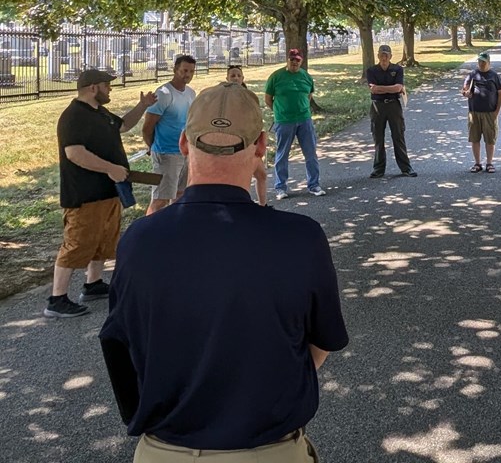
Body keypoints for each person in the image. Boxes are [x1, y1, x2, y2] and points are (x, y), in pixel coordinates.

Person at [99, 82, 348, 462]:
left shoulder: (139, 240)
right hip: (270, 450)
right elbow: (321, 343)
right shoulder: (300, 238)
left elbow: (122, 348)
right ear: (262, 145)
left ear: (184, 143)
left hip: (163, 450)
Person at [44, 70, 157, 319]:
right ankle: (57, 298)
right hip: (84, 194)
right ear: (93, 88)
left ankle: (92, 284)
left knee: (104, 241)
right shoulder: (73, 116)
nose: (110, 89)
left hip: (109, 191)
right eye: (107, 85)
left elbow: (124, 125)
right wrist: (110, 168)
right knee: (77, 243)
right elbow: (74, 153)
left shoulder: (100, 112)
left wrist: (142, 105)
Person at [265, 48, 325, 200]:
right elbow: (268, 99)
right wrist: (280, 111)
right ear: (287, 60)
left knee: (310, 153)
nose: (294, 62)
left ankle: (314, 185)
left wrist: (302, 108)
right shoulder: (276, 77)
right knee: (282, 154)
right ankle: (280, 187)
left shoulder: (306, 77)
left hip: (304, 119)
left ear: (301, 61)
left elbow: (309, 95)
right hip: (284, 121)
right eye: (292, 59)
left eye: (297, 60)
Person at [142, 55, 196, 214]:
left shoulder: (191, 93)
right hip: (166, 153)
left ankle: (173, 228)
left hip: (185, 151)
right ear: (175, 70)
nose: (188, 74)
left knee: (180, 195)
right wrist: (152, 147)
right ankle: (148, 230)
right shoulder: (164, 93)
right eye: (184, 70)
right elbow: (147, 127)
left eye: (191, 71)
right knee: (160, 199)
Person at [366, 44, 417, 178]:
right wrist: (391, 88)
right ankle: (378, 169)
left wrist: (382, 88)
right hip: (378, 106)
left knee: (398, 136)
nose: (384, 58)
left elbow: (399, 87)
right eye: (382, 55)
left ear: (390, 56)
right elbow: (373, 89)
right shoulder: (371, 71)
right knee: (378, 138)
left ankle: (406, 168)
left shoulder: (397, 69)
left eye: (386, 55)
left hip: (394, 105)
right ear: (378, 56)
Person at [227, 64, 267, 205]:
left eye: (238, 75)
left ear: (243, 78)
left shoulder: (248, 95)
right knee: (240, 179)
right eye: (232, 75)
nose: (236, 78)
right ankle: (241, 207)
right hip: (235, 143)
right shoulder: (224, 96)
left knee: (261, 175)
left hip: (251, 140)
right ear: (227, 78)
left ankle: (263, 206)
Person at [462, 52, 501, 173]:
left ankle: (490, 163)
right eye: (479, 61)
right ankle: (477, 163)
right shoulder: (473, 74)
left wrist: (497, 111)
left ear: (488, 63)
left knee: (490, 139)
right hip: (474, 112)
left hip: (490, 112)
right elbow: (465, 89)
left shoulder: (494, 76)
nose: (481, 64)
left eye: (483, 62)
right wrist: (465, 93)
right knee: (475, 138)